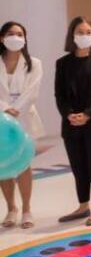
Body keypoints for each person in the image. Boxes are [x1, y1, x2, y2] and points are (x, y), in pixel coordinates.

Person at [55, 16, 91, 226]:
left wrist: (88, 115)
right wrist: (69, 114)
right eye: (80, 32)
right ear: (72, 35)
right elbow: (59, 95)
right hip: (71, 124)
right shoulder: (63, 64)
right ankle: (82, 206)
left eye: (89, 32)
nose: (85, 35)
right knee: (78, 167)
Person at [0, 21, 44, 229]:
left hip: (23, 118)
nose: (16, 37)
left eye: (20, 34)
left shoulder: (34, 64)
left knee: (24, 164)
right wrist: (4, 109)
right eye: (11, 33)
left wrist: (15, 109)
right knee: (3, 165)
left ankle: (26, 209)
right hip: (1, 121)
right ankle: (11, 208)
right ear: (2, 38)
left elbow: (32, 92)